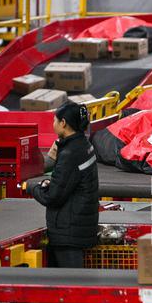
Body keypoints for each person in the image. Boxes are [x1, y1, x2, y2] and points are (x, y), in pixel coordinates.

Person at [29, 103, 99, 268]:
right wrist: (53, 183)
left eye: (55, 120)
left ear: (63, 123)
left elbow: (52, 197)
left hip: (68, 232)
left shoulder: (70, 153)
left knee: (72, 280)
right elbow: (71, 181)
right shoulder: (84, 145)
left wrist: (32, 188)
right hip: (79, 225)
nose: (53, 124)